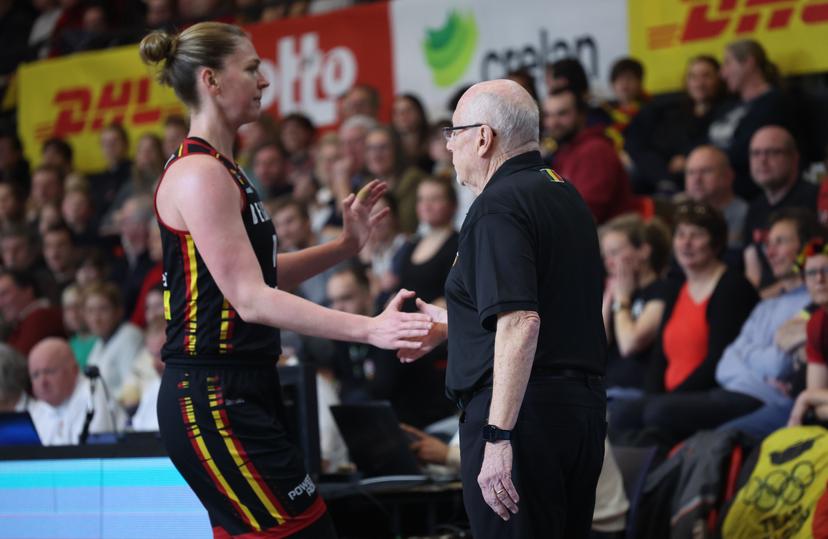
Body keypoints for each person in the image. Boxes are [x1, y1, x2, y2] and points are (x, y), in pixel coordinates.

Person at [139, 22, 431, 538]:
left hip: (241, 385)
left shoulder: (225, 168)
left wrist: (345, 247)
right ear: (211, 80)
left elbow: (259, 273)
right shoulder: (200, 174)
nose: (263, 81)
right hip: (210, 394)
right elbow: (251, 299)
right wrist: (370, 328)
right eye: (250, 69)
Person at [400, 79, 607, 538]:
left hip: (521, 419)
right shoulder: (563, 193)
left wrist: (498, 436)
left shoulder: (497, 206)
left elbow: (521, 321)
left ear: (483, 137)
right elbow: (546, 305)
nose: (449, 145)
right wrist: (452, 323)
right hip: (578, 413)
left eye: (454, 131)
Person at [608, 202, 759, 446]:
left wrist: (666, 400)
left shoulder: (732, 287)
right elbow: (659, 358)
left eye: (696, 235)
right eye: (680, 235)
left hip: (709, 394)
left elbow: (717, 361)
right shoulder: (677, 289)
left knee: (655, 414)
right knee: (623, 413)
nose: (686, 243)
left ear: (716, 242)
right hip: (669, 400)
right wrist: (653, 397)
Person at [625, 55, 725, 195]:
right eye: (693, 77)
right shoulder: (674, 110)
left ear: (719, 79)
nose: (699, 83)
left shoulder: (726, 112)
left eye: (706, 76)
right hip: (661, 174)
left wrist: (688, 158)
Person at [543, 87, 637, 224]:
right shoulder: (565, 150)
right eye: (548, 115)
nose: (552, 123)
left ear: (581, 115)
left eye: (562, 114)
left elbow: (585, 217)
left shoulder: (595, 151)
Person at [27, 337, 115, 445]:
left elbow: (93, 452)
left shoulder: (93, 394)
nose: (42, 382)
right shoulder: (37, 410)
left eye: (49, 372)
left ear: (74, 370)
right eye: (35, 375)